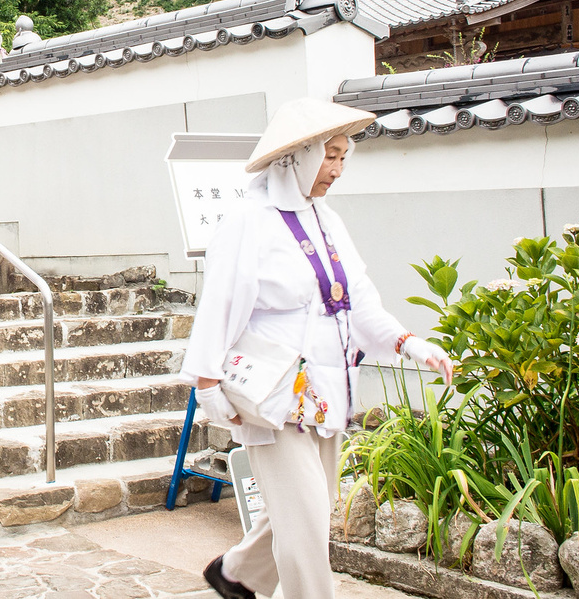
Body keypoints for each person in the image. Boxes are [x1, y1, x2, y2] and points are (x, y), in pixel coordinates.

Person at [180, 97, 453, 599]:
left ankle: (236, 573)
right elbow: (219, 304)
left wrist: (410, 343)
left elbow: (357, 299)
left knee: (311, 508)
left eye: (344, 156)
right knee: (305, 527)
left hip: (326, 390)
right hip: (272, 394)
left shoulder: (327, 219)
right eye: (330, 156)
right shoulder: (248, 220)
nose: (338, 169)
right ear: (298, 156)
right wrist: (207, 385)